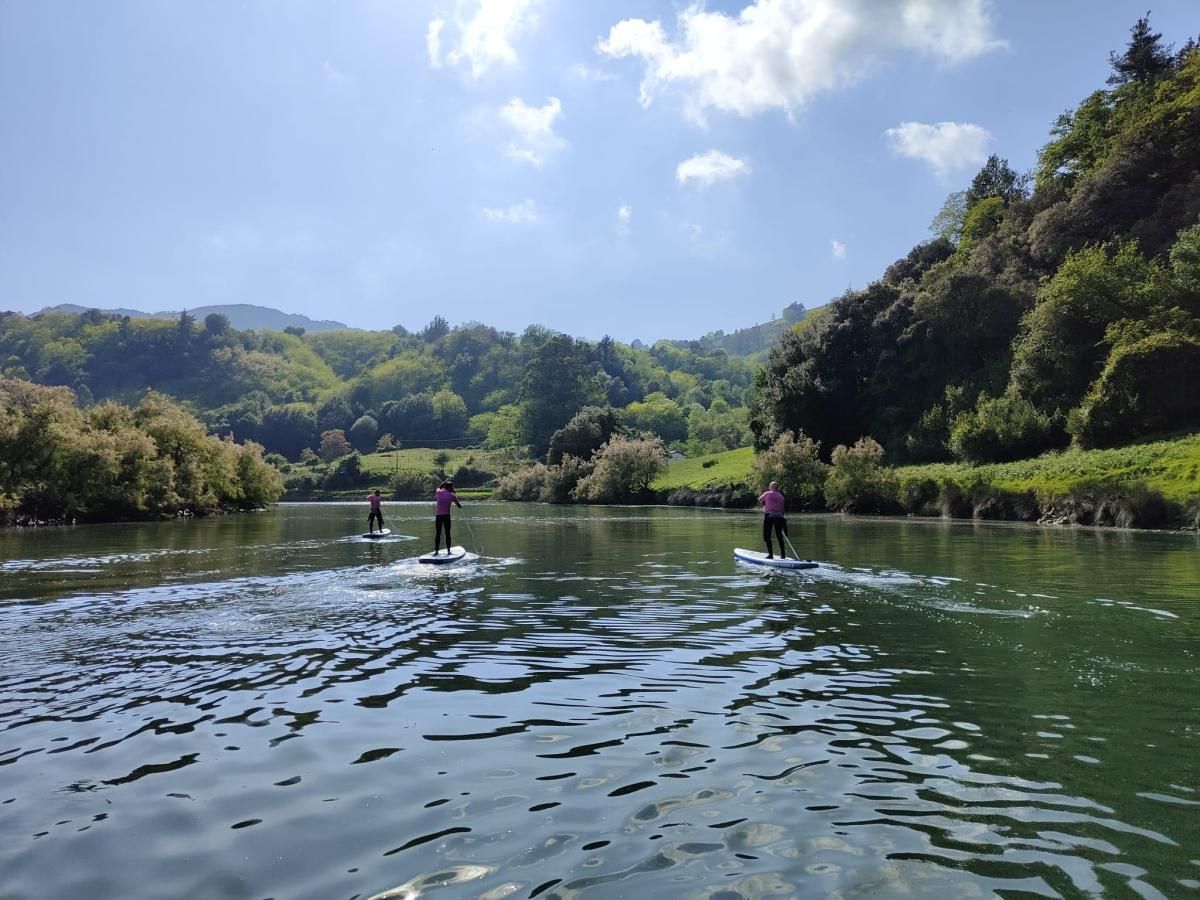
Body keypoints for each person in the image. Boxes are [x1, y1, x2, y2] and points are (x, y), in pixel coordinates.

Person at [757, 481, 788, 559]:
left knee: (767, 536)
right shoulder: (781, 496)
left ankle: (770, 555)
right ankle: (783, 555)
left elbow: (759, 499)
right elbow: (782, 509)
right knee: (779, 536)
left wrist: (765, 505)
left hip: (769, 515)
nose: (768, 488)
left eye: (769, 486)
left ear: (771, 487)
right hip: (780, 516)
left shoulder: (768, 493)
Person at [434, 480, 463, 554]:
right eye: (452, 487)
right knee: (447, 533)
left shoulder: (439, 492)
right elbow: (459, 505)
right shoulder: (452, 495)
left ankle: (436, 551)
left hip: (438, 516)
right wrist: (454, 494)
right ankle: (449, 551)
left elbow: (439, 487)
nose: (453, 488)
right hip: (446, 516)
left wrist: (445, 481)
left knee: (438, 533)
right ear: (450, 488)